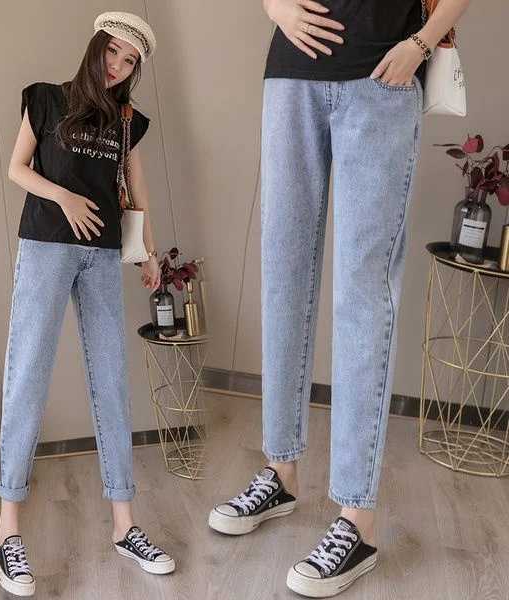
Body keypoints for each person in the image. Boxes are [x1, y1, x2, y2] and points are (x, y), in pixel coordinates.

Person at [208, 0, 471, 596]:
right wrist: (276, 7)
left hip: (382, 78)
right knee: (283, 280)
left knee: (363, 296)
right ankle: (281, 473)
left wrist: (421, 45)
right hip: (291, 79)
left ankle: (358, 521)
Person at [0, 12, 175, 597]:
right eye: (112, 52)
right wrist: (65, 197)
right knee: (27, 376)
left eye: (129, 61)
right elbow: (17, 168)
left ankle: (125, 526)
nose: (117, 66)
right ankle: (7, 533)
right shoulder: (46, 99)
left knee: (112, 383)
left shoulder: (126, 120)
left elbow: (137, 190)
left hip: (100, 257)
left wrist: (148, 253)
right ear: (96, 48)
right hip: (46, 248)